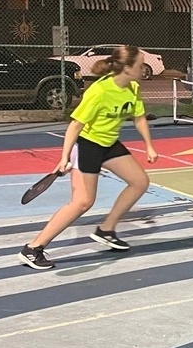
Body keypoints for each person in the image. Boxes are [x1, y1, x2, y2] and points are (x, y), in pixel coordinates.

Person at [19, 45, 159, 270]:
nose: (143, 68)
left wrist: (149, 146)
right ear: (126, 67)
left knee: (140, 182)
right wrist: (64, 157)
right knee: (82, 202)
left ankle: (106, 230)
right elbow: (75, 126)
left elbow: (139, 118)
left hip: (109, 144)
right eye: (140, 64)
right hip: (88, 146)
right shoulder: (99, 91)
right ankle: (33, 248)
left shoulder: (132, 88)